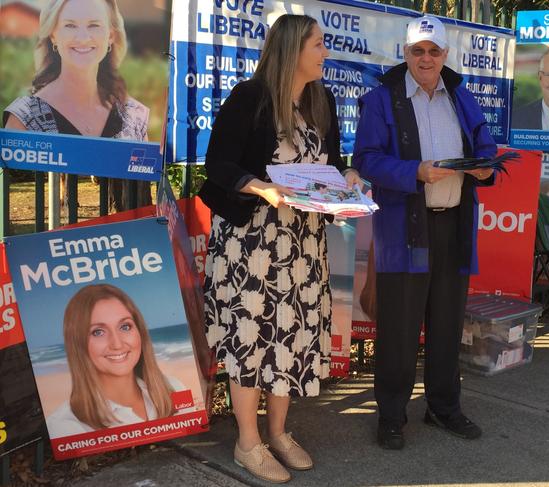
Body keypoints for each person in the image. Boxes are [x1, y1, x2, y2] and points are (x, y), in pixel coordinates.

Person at [198, 14, 361, 483]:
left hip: (304, 244)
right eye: (318, 44)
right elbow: (218, 164)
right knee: (251, 337)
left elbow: (329, 163)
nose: (324, 52)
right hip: (253, 243)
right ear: (292, 48)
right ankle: (248, 442)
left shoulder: (320, 100)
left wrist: (346, 178)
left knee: (290, 336)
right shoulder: (249, 97)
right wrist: (261, 188)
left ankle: (279, 432)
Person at [352, 15, 496, 450]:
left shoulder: (461, 94)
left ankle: (443, 408)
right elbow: (366, 160)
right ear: (406, 54)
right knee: (399, 326)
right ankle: (391, 415)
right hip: (405, 229)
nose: (427, 58)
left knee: (447, 323)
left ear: (445, 55)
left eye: (434, 51)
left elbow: (484, 144)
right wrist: (414, 171)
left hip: (453, 224)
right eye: (419, 51)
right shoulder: (382, 99)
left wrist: (486, 167)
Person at [2, 0, 150, 210]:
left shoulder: (135, 116)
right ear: (53, 35)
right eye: (70, 25)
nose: (82, 37)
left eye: (94, 25)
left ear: (110, 36)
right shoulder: (23, 117)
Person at [46, 284, 190, 439]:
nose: (117, 344)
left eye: (125, 326)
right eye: (98, 332)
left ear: (139, 331)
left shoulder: (175, 388)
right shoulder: (65, 425)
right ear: (77, 344)